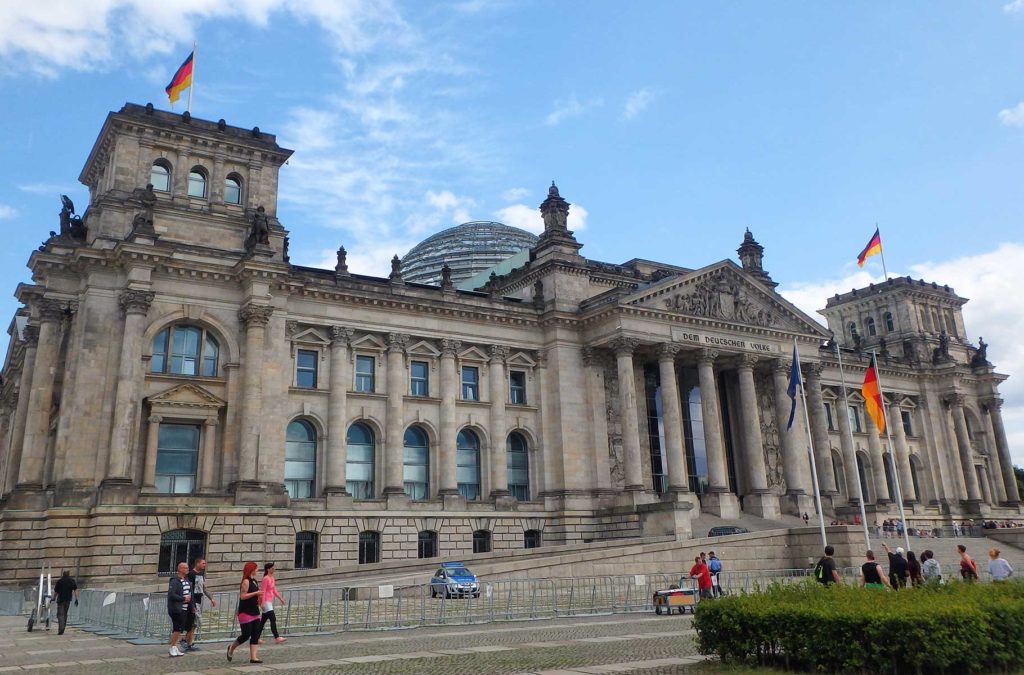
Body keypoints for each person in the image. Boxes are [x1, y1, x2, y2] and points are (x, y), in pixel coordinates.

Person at [227, 561, 263, 664]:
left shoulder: (255, 581)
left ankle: (253, 657)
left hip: (255, 611)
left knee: (255, 634)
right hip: (245, 611)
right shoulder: (246, 581)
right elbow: (243, 596)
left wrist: (260, 600)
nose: (258, 570)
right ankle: (231, 648)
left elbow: (255, 595)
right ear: (251, 570)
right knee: (246, 634)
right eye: (256, 569)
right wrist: (256, 593)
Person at [184, 558, 217, 651]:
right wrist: (191, 603)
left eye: (205, 563)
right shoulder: (191, 574)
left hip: (199, 600)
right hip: (193, 601)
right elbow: (188, 588)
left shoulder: (201, 575)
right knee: (195, 622)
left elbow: (203, 588)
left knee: (194, 623)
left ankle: (187, 640)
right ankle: (187, 641)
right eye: (203, 563)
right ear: (197, 563)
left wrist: (211, 598)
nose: (204, 565)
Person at [167, 562, 195, 658]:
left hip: (185, 609)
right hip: (176, 609)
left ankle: (174, 646)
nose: (187, 569)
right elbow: (171, 594)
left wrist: (192, 606)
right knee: (177, 628)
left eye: (188, 567)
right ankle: (172, 646)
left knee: (180, 628)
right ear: (180, 569)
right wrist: (183, 598)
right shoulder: (175, 581)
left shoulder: (186, 580)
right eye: (185, 568)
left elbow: (191, 594)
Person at [259, 562, 287, 643]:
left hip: (269, 601)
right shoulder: (265, 578)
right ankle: (277, 637)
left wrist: (280, 598)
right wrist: (263, 602)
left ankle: (256, 637)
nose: (274, 569)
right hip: (266, 601)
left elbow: (274, 590)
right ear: (268, 569)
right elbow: (263, 591)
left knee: (263, 621)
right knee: (273, 618)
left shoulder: (272, 578)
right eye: (272, 568)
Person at [53, 570, 79, 635]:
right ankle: (63, 628)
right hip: (68, 600)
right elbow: (75, 590)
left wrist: (54, 598)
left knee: (60, 614)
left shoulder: (60, 581)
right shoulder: (72, 581)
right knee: (65, 613)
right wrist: (76, 599)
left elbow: (56, 591)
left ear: (63, 574)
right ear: (69, 574)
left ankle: (61, 628)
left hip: (61, 600)